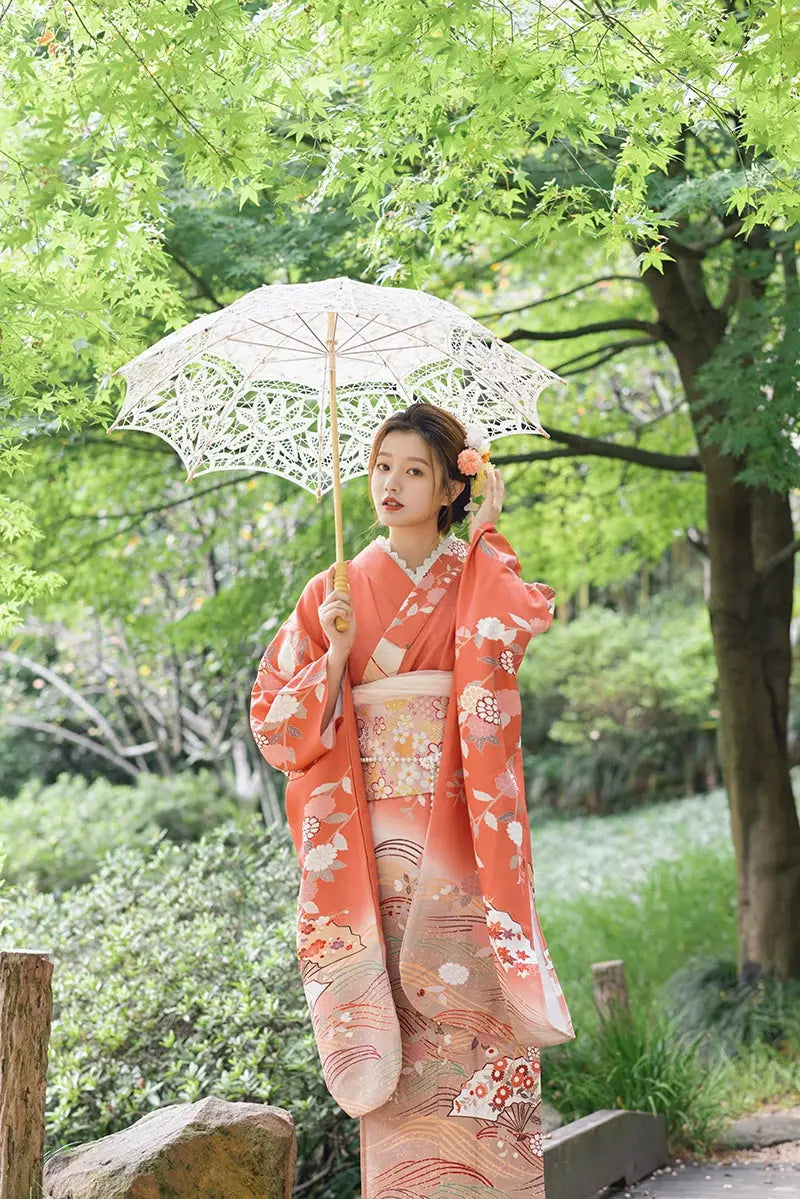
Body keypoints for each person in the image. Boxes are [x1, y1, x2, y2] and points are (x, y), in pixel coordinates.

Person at [250, 402, 574, 1199]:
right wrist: (331, 657)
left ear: (449, 489)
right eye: (381, 466)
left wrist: (491, 534)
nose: (390, 483)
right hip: (376, 857)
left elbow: (504, 643)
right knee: (400, 1028)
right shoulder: (335, 587)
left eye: (415, 470)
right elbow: (273, 719)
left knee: (472, 1016)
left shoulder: (472, 571)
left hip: (461, 835)